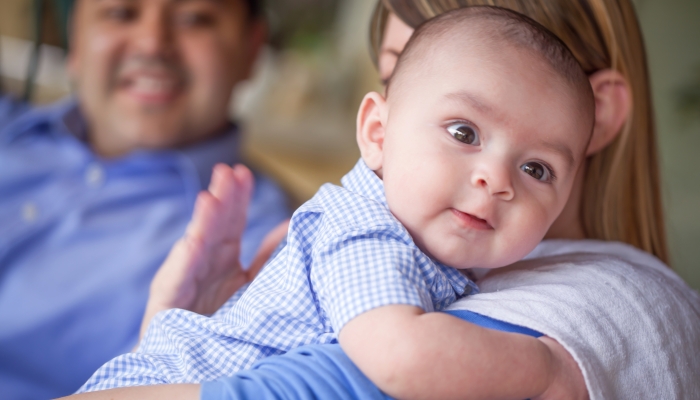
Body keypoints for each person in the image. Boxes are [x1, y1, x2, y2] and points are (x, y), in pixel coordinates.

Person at [65, 0, 700, 399]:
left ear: (599, 116)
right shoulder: (363, 226)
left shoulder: (588, 294)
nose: (495, 178)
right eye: (462, 131)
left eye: (536, 166)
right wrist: (538, 367)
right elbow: (396, 358)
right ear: (378, 128)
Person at [0, 0, 288, 398]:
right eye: (120, 13)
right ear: (76, 39)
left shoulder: (265, 253)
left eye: (195, 19)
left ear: (252, 48)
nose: (152, 44)